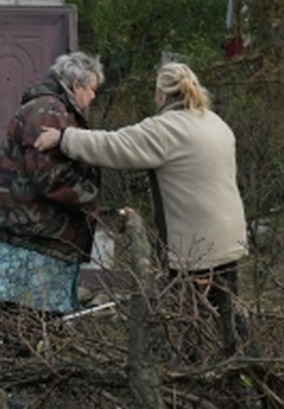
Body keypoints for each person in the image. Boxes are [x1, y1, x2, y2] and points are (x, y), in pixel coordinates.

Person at [34, 61, 248, 351]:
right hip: (229, 237)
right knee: (227, 310)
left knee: (190, 319)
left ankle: (193, 365)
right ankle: (242, 361)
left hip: (194, 246)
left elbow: (114, 145)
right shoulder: (215, 122)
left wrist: (64, 137)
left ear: (161, 93)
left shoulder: (166, 129)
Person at [0, 51, 104, 314]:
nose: (93, 96)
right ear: (76, 85)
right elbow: (49, 176)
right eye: (92, 89)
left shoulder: (53, 108)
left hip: (28, 228)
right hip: (29, 232)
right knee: (32, 314)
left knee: (24, 314)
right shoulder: (49, 111)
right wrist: (90, 198)